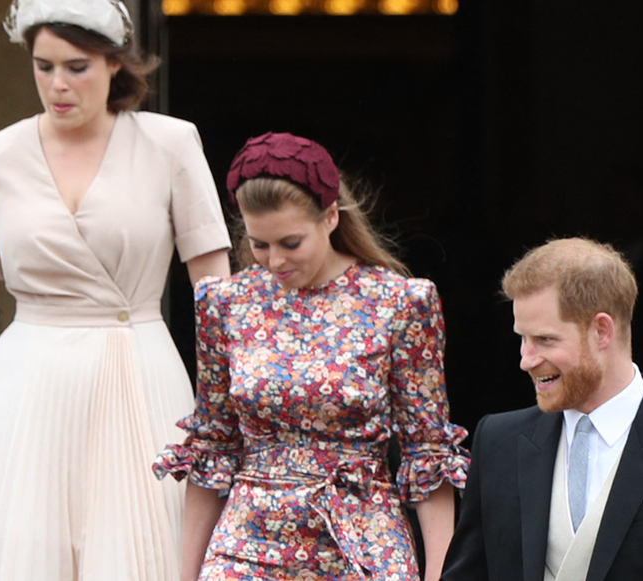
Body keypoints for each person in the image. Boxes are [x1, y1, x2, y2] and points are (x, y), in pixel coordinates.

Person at [0, 1, 232, 579]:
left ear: (114, 64)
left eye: (76, 67)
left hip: (138, 369)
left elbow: (216, 289)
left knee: (142, 550)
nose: (58, 84)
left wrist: (229, 410)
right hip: (28, 378)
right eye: (43, 66)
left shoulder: (171, 144)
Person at [152, 131, 470, 581]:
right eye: (259, 244)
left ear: (331, 218)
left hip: (363, 538)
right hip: (248, 542)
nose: (273, 261)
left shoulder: (399, 302)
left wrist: (439, 574)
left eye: (290, 243)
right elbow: (213, 447)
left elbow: (428, 454)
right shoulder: (224, 303)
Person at [441, 237, 643, 581]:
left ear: (602, 331)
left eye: (545, 340)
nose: (526, 360)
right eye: (522, 338)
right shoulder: (497, 443)